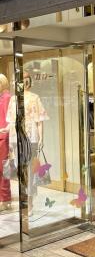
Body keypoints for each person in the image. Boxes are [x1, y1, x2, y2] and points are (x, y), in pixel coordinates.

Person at [6, 72, 49, 215]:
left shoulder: (34, 97)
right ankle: (23, 200)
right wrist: (8, 137)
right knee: (20, 170)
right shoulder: (13, 99)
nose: (24, 83)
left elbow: (40, 120)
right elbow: (10, 121)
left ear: (29, 81)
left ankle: (30, 202)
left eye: (26, 80)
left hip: (31, 138)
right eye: (21, 80)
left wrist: (42, 138)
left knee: (30, 170)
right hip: (16, 138)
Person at [0, 74, 11, 209]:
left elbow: (10, 118)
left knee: (4, 169)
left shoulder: (7, 97)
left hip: (4, 137)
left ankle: (5, 199)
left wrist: (6, 131)